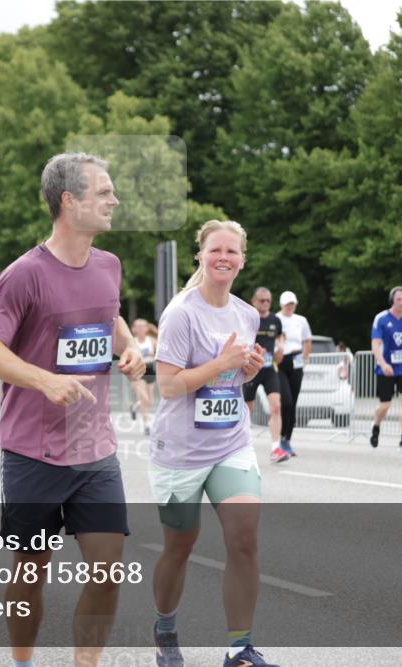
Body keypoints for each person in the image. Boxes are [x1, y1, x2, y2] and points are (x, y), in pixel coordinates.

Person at [0, 152, 145, 667]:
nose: (114, 200)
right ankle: (22, 661)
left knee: (108, 572)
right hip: (34, 453)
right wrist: (44, 380)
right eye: (103, 192)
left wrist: (129, 347)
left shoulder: (109, 265)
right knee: (30, 572)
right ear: (69, 201)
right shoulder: (25, 275)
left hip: (95, 451)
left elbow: (108, 319)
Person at [148, 220, 277, 667]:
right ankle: (165, 628)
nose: (224, 258)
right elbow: (168, 385)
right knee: (180, 545)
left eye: (232, 252)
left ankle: (239, 648)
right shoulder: (181, 313)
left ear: (243, 259)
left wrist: (247, 370)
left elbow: (232, 379)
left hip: (230, 442)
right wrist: (222, 361)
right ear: (200, 256)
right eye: (216, 250)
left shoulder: (247, 313)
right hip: (180, 449)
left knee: (244, 537)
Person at [243, 287, 288, 463]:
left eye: (268, 300)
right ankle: (241, 445)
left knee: (276, 407)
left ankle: (276, 448)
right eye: (262, 300)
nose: (266, 304)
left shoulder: (275, 320)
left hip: (269, 369)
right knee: (247, 410)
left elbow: (280, 336)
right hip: (251, 370)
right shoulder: (249, 319)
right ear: (254, 301)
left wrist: (281, 348)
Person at [370, 286, 402, 451]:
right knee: (385, 406)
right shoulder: (381, 319)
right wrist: (383, 364)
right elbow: (375, 344)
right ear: (392, 300)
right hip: (386, 368)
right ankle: (376, 426)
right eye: (399, 299)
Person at [275, 291, 311, 457]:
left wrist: (305, 358)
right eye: (287, 304)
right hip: (281, 362)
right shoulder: (277, 319)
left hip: (296, 361)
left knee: (293, 402)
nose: (290, 307)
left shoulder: (301, 320)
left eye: (292, 304)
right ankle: (280, 437)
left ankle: (287, 439)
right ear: (282, 305)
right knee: (286, 401)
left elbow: (307, 339)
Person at [128, 318, 158, 436]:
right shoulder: (132, 342)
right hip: (137, 371)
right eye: (138, 326)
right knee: (144, 399)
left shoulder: (152, 341)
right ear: (133, 329)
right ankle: (146, 425)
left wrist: (154, 354)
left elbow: (162, 354)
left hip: (150, 370)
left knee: (149, 401)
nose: (140, 329)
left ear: (147, 328)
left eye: (143, 326)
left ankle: (135, 407)